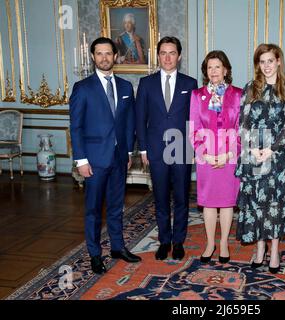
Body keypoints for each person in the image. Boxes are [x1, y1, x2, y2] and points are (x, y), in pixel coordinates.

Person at [69, 37, 141, 275]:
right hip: (94, 161)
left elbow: (129, 121)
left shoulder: (125, 87)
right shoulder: (82, 88)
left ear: (115, 56)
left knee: (115, 207)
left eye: (108, 53)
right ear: (93, 57)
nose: (104, 58)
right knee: (93, 210)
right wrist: (81, 160)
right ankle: (95, 254)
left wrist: (129, 151)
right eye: (99, 54)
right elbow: (76, 127)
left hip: (119, 158)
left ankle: (118, 247)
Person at [135, 36, 198, 261]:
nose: (168, 57)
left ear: (179, 56)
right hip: (155, 150)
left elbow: (194, 119)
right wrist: (143, 149)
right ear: (158, 56)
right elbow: (140, 119)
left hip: (182, 149)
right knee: (160, 198)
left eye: (172, 53)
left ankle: (178, 241)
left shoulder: (190, 84)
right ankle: (164, 241)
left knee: (181, 197)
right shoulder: (146, 83)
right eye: (163, 53)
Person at [236, 44, 285, 274]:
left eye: (271, 60)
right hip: (253, 156)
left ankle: (275, 250)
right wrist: (252, 149)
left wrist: (271, 149)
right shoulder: (250, 88)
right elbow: (243, 122)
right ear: (257, 64)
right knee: (255, 204)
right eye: (262, 61)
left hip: (278, 157)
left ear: (279, 61)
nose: (267, 66)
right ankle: (260, 249)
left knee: (274, 205)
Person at [189, 50, 242, 264]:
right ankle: (210, 243)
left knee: (227, 203)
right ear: (205, 71)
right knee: (209, 203)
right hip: (206, 158)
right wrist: (206, 154)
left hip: (230, 156)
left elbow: (241, 128)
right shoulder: (197, 95)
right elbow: (194, 127)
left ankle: (224, 243)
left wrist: (230, 153)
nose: (213, 71)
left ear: (226, 70)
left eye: (217, 67)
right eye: (209, 67)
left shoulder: (238, 94)